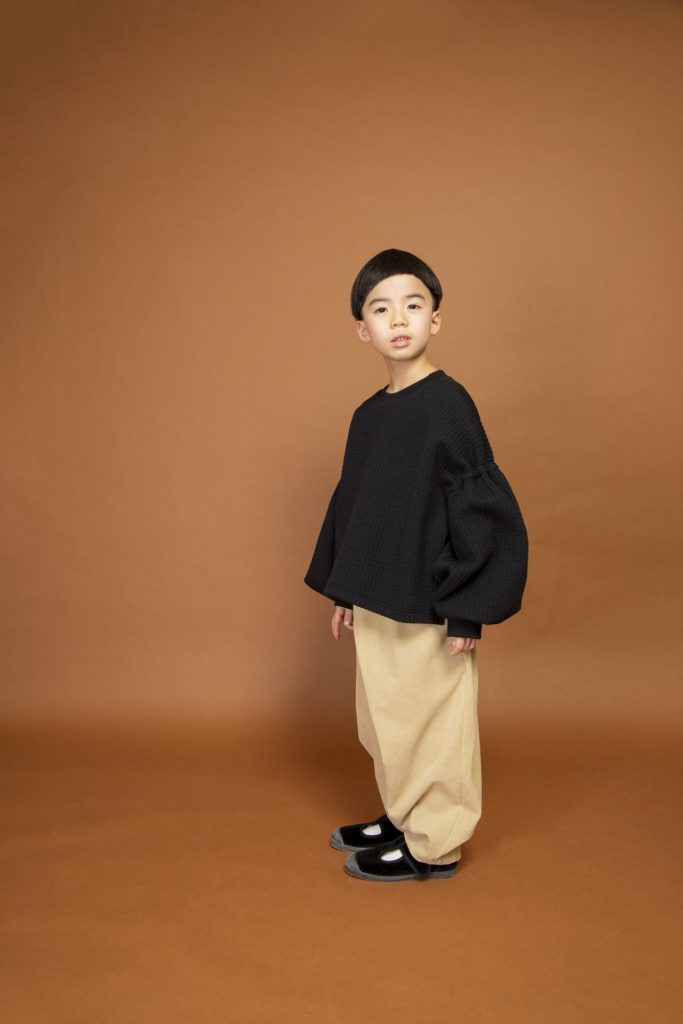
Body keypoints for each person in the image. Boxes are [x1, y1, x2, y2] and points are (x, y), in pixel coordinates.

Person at [304, 248, 529, 883]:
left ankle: (434, 845)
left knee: (433, 721)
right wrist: (343, 589)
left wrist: (468, 607)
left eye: (413, 304)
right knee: (386, 717)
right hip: (379, 595)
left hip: (431, 599)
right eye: (381, 309)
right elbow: (356, 506)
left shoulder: (448, 404)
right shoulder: (368, 416)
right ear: (362, 329)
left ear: (436, 319)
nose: (398, 319)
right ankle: (403, 814)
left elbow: (478, 506)